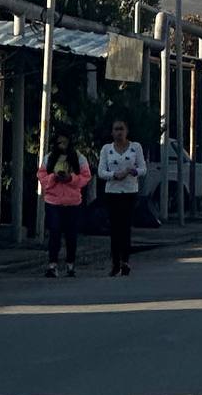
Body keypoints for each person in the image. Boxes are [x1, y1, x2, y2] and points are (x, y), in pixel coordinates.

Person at [37, 129, 91, 278]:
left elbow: (86, 177)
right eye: (59, 142)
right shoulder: (49, 158)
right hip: (53, 201)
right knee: (54, 232)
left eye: (65, 142)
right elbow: (42, 177)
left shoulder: (79, 158)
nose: (62, 145)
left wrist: (70, 179)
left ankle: (70, 264)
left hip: (72, 202)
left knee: (71, 235)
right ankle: (52, 265)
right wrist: (54, 177)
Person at [98, 117, 147, 277]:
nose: (119, 132)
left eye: (122, 129)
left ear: (127, 131)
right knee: (114, 228)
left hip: (129, 191)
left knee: (125, 227)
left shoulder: (135, 147)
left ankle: (125, 261)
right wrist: (114, 175)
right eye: (116, 129)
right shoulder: (107, 149)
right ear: (112, 132)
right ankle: (115, 262)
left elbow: (143, 169)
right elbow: (101, 172)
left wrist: (133, 171)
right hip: (112, 192)